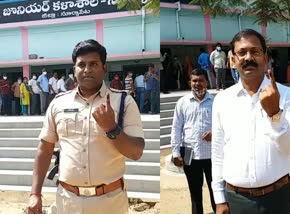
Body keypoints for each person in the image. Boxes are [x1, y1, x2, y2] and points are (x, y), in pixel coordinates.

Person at [26, 39, 145, 214]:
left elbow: (136, 153)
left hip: (110, 203)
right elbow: (45, 149)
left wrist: (111, 128)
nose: (87, 69)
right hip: (68, 202)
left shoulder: (123, 102)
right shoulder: (58, 103)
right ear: (74, 70)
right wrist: (35, 193)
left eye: (94, 64)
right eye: (81, 65)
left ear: (104, 68)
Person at [212, 29, 290, 214]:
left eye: (255, 51)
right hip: (237, 199)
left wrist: (274, 113)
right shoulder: (222, 100)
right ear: (233, 59)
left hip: (278, 198)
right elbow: (218, 151)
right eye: (242, 52)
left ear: (265, 57)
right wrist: (219, 198)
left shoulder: (286, 95)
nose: (248, 57)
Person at [171, 68, 216, 214]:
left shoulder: (216, 102)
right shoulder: (182, 102)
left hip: (213, 154)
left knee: (216, 191)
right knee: (195, 193)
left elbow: (225, 126)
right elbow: (176, 128)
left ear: (207, 82)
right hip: (190, 154)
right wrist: (176, 152)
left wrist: (215, 133)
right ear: (190, 83)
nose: (198, 84)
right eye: (194, 80)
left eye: (201, 80)